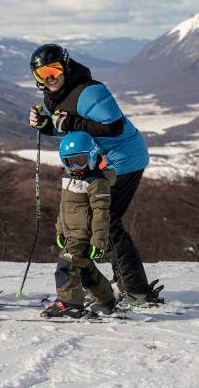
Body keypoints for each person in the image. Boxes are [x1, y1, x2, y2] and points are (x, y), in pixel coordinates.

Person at [28, 44, 163, 303]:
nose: (50, 77)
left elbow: (112, 127)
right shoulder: (55, 94)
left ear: (65, 67)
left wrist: (69, 123)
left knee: (107, 220)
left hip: (125, 160)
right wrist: (48, 127)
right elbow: (73, 126)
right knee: (98, 221)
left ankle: (135, 290)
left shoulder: (89, 91)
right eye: (42, 74)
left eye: (54, 69)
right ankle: (124, 285)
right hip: (104, 161)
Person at [42, 131, 116, 318]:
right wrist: (60, 230)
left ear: (91, 156)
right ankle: (106, 300)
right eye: (70, 161)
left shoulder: (96, 182)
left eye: (80, 160)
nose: (75, 166)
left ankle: (70, 304)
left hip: (84, 235)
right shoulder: (71, 179)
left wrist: (98, 241)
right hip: (71, 233)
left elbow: (102, 213)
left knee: (66, 265)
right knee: (84, 269)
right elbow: (64, 207)